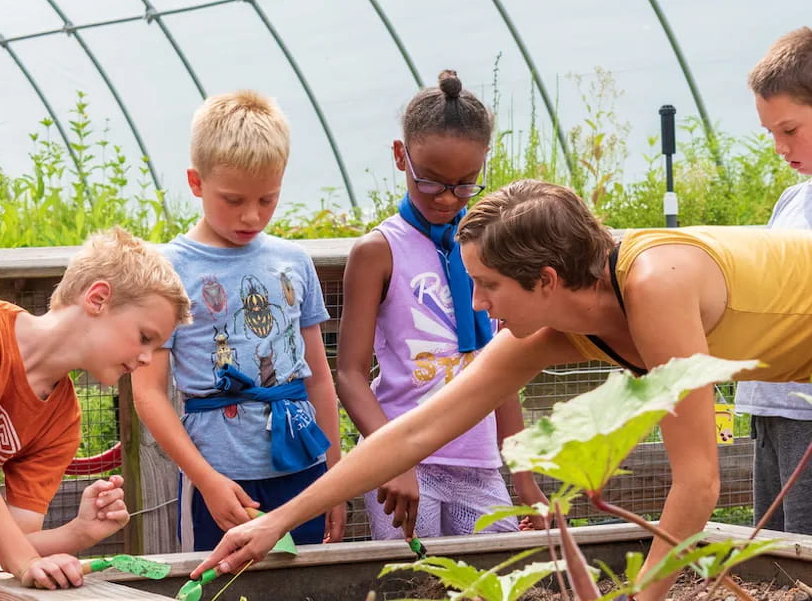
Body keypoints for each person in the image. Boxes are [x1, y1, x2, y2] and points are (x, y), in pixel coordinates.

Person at [193, 178, 812, 601]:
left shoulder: (655, 285)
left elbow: (699, 479)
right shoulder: (556, 324)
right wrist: (279, 520)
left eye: (487, 286)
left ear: (544, 280)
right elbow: (418, 430)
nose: (479, 306)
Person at [0, 227, 191, 599]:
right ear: (98, 299)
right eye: (145, 337)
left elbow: (16, 540)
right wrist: (24, 561)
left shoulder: (62, 423)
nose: (146, 358)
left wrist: (80, 532)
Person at [131, 90, 346, 553]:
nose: (251, 216)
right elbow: (148, 393)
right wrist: (205, 481)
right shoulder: (167, 269)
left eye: (268, 199)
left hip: (304, 471)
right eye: (233, 200)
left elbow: (318, 378)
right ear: (196, 182)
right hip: (221, 479)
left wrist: (336, 477)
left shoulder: (294, 261)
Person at [337, 70, 546, 540]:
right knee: (412, 585)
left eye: (465, 184)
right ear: (400, 156)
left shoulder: (488, 249)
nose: (448, 198)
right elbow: (350, 374)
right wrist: (393, 457)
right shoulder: (378, 251)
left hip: (479, 466)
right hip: (406, 462)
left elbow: (502, 368)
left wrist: (525, 479)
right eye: (430, 183)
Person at [734, 26, 812, 534]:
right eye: (771, 135)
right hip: (770, 403)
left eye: (790, 130)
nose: (781, 147)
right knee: (775, 556)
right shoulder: (793, 201)